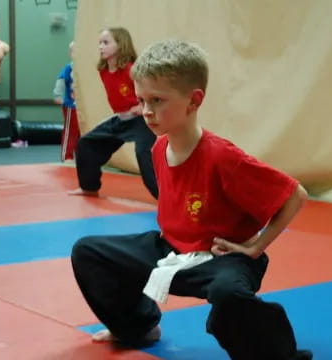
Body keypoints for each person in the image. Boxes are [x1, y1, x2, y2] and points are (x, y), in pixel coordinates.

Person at [71, 40, 313, 360]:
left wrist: (256, 247)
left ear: (193, 100)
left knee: (228, 295)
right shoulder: (158, 148)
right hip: (171, 251)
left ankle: (278, 356)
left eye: (157, 100)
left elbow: (295, 195)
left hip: (222, 256)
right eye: (142, 100)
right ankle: (137, 327)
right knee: (88, 252)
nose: (146, 111)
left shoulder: (221, 156)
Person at [68, 27, 158, 199]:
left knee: (144, 156)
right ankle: (89, 187)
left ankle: (165, 197)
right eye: (99, 43)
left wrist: (143, 105)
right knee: (86, 144)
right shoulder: (103, 70)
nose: (101, 47)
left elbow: (152, 91)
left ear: (120, 45)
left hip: (140, 122)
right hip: (121, 120)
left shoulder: (131, 70)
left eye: (106, 42)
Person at [53, 41, 80, 162]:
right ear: (70, 54)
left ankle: (82, 157)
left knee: (82, 133)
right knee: (70, 132)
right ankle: (67, 156)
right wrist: (58, 96)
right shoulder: (69, 68)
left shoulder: (87, 69)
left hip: (83, 108)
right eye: (74, 51)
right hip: (71, 106)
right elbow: (61, 80)